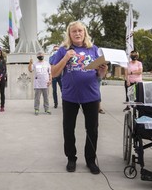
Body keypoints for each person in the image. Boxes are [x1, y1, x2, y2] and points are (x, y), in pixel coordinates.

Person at [51, 21, 108, 175]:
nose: (77, 33)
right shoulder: (63, 50)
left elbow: (100, 75)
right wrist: (65, 58)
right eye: (74, 31)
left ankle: (90, 160)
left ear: (85, 32)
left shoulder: (94, 50)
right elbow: (54, 73)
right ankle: (71, 158)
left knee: (92, 129)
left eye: (80, 31)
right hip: (70, 96)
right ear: (69, 34)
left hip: (91, 95)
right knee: (68, 129)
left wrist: (103, 71)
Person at [28, 51, 52, 115]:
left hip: (45, 83)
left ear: (43, 55)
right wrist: (30, 63)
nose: (40, 55)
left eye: (41, 54)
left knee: (46, 97)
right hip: (37, 84)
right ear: (37, 56)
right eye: (39, 54)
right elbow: (30, 70)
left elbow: (50, 73)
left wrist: (50, 80)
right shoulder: (35, 64)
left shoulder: (47, 63)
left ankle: (47, 109)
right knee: (37, 98)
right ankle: (36, 109)